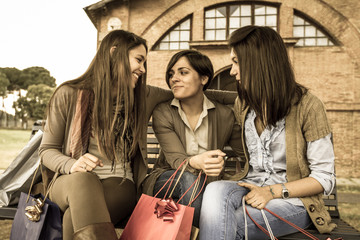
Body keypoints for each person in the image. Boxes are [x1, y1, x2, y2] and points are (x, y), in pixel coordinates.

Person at [199, 26, 336, 240]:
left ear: (258, 62)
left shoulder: (308, 106)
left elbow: (324, 178)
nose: (232, 71)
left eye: (236, 62)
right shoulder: (244, 104)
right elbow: (212, 96)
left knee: (230, 224)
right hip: (249, 185)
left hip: (295, 203)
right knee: (215, 191)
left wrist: (271, 192)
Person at [39, 30, 173, 240]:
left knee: (72, 219)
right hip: (68, 181)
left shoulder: (143, 96)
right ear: (114, 53)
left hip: (118, 182)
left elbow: (189, 91)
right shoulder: (68, 93)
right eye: (139, 59)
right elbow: (47, 150)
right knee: (83, 180)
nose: (143, 69)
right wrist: (71, 165)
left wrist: (242, 92)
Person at [142, 50, 244, 228]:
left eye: (183, 72)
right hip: (167, 178)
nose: (174, 78)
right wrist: (197, 162)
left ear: (204, 79)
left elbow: (245, 153)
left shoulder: (224, 114)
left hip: (208, 183)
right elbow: (175, 160)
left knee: (206, 188)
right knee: (190, 179)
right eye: (172, 74)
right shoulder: (163, 112)